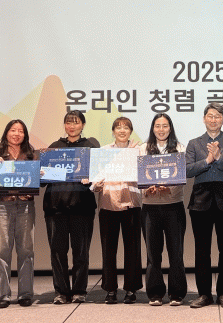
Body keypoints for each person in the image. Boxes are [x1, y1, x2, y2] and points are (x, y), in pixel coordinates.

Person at [186, 102, 223, 309]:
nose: (213, 120)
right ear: (204, 119)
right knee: (202, 250)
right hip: (200, 199)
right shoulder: (194, 143)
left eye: (217, 116)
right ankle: (204, 294)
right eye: (210, 116)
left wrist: (219, 158)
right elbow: (187, 170)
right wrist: (207, 161)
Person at [44, 110, 99, 304]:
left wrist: (92, 177)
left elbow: (100, 174)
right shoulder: (54, 148)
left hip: (82, 207)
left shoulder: (90, 147)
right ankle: (61, 291)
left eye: (76, 122)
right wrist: (41, 172)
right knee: (57, 252)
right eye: (68, 122)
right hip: (55, 208)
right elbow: (43, 180)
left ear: (83, 125)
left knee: (81, 252)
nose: (72, 126)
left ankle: (79, 290)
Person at [91, 117, 143, 305]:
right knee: (108, 250)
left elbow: (145, 177)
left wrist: (131, 156)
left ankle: (131, 289)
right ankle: (110, 289)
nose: (122, 130)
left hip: (131, 204)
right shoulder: (103, 152)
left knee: (133, 250)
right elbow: (95, 182)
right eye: (118, 127)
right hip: (108, 204)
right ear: (113, 131)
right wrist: (96, 184)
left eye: (126, 127)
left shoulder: (138, 151)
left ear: (131, 131)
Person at [0, 119, 36, 308]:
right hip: (3, 207)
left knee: (26, 251)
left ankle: (25, 294)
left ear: (25, 135)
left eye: (20, 131)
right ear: (7, 133)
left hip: (25, 206)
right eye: (13, 130)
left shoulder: (31, 156)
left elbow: (38, 181)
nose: (17, 134)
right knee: (2, 251)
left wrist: (39, 175)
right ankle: (2, 295)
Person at [140, 113, 187, 306]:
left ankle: (177, 293)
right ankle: (155, 293)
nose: (161, 129)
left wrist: (170, 188)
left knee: (176, 252)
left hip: (173, 207)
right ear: (153, 128)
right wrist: (146, 188)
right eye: (157, 126)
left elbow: (181, 176)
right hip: (150, 208)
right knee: (153, 254)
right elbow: (139, 175)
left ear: (170, 128)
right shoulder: (143, 148)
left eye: (165, 126)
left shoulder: (180, 148)